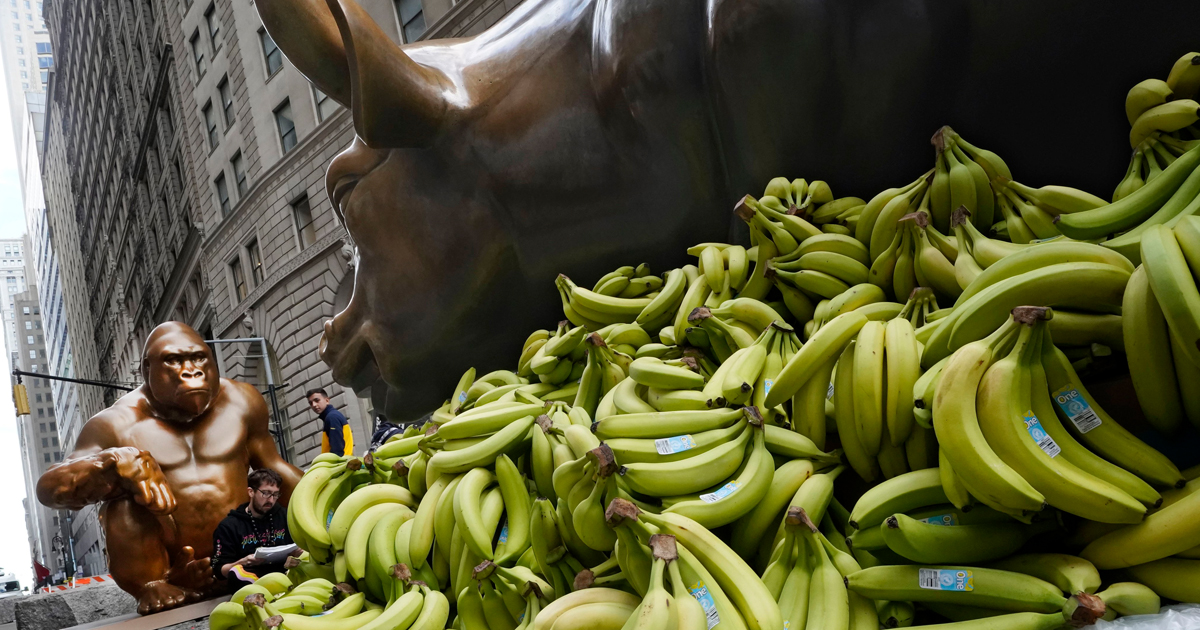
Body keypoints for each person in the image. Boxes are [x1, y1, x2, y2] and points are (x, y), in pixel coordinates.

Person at [35, 322, 302, 614]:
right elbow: (50, 489)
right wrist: (111, 462)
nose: (191, 370)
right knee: (121, 499)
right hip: (172, 568)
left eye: (198, 358)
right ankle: (151, 584)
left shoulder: (242, 400)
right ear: (147, 369)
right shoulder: (115, 423)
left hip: (244, 551)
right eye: (174, 361)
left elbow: (275, 469)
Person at [211, 469, 301, 583]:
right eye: (266, 493)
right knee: (237, 576)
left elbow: (299, 545)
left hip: (286, 571)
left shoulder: (285, 516)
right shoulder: (229, 526)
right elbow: (219, 571)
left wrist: (300, 551)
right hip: (251, 577)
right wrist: (241, 562)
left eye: (275, 494)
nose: (271, 500)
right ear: (251, 492)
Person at [307, 388, 355, 456]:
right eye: (311, 403)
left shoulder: (332, 417)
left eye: (317, 400)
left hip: (341, 464)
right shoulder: (332, 416)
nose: (314, 405)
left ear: (327, 400)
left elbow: (337, 448)